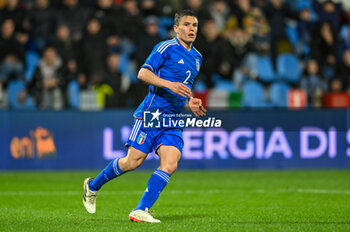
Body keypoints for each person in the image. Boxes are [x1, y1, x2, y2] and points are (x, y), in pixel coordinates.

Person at [82, 10, 207, 223]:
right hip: (151, 114)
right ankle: (92, 185)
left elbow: (184, 87)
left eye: (194, 25)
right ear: (176, 28)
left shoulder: (197, 57)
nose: (191, 29)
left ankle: (140, 210)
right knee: (132, 162)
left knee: (170, 164)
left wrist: (191, 101)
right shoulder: (165, 48)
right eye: (186, 24)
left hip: (173, 120)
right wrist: (169, 84)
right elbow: (143, 73)